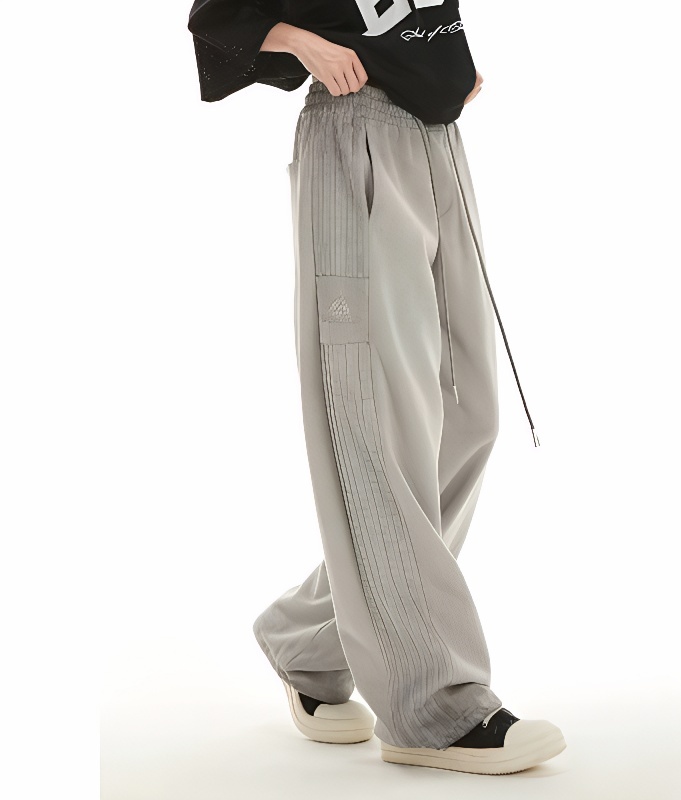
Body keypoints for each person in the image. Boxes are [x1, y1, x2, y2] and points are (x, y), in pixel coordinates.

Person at [187, 0, 564, 775]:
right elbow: (215, 13)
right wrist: (300, 43)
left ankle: (310, 638)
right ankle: (435, 705)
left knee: (468, 416)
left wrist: (445, 60)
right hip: (353, 129)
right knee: (377, 418)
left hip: (436, 137)